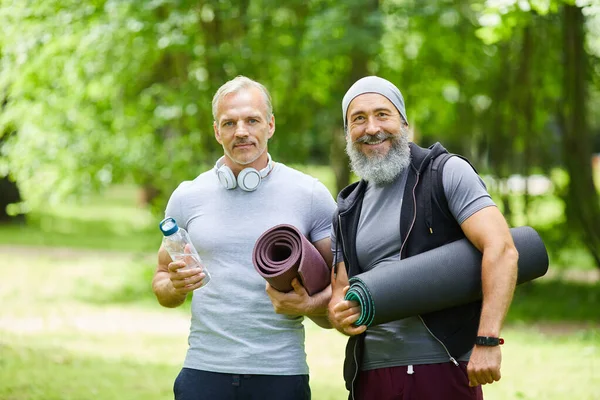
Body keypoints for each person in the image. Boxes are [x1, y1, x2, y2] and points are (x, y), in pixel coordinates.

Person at [328, 76, 519, 400]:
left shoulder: (445, 173)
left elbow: (501, 249)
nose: (372, 127)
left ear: (405, 124)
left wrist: (487, 340)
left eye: (382, 114)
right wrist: (337, 313)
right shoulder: (347, 207)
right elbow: (340, 292)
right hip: (371, 374)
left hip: (443, 366)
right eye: (358, 119)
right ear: (348, 134)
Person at [152, 75, 336, 400]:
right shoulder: (186, 197)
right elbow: (162, 282)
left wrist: (309, 304)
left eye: (252, 120)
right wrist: (175, 287)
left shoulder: (310, 195)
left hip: (281, 374)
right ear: (216, 130)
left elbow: (341, 289)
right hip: (203, 372)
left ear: (271, 125)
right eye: (229, 123)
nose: (241, 131)